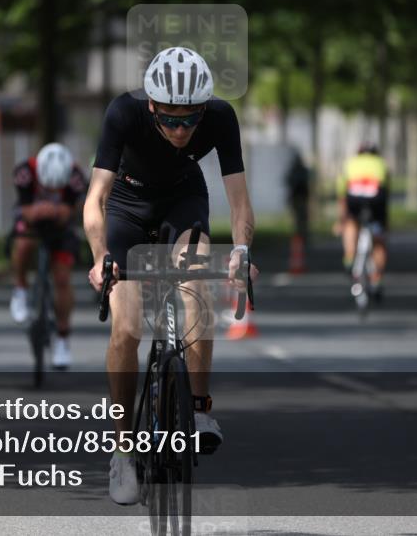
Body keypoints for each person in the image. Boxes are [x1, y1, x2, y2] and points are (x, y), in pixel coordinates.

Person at [83, 46, 258, 505]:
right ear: (152, 107)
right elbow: (95, 198)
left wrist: (241, 250)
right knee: (125, 327)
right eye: (170, 121)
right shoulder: (124, 112)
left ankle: (200, 411)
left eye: (190, 121)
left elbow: (239, 200)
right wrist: (101, 257)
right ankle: (123, 450)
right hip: (127, 207)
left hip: (183, 200)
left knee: (196, 281)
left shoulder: (221, 117)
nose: (181, 131)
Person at [8, 142, 87, 369]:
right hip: (31, 224)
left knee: (62, 278)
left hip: (61, 228)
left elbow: (67, 211)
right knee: (22, 244)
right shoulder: (24, 171)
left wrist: (55, 211)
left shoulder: (75, 176)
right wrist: (37, 211)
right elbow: (24, 210)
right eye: (47, 188)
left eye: (56, 189)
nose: (52, 192)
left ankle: (62, 338)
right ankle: (20, 288)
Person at [335, 142, 389, 300]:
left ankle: (350, 258)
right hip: (376, 196)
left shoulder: (350, 163)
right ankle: (377, 280)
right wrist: (385, 224)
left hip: (354, 196)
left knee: (351, 222)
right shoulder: (381, 163)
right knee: (379, 241)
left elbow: (342, 195)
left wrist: (342, 220)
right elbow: (386, 193)